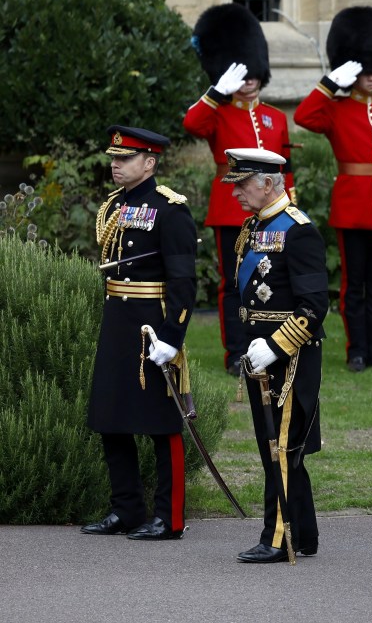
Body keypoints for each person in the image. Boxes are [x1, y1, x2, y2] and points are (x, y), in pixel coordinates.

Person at [82, 126, 197, 541]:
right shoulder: (114, 205)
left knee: (161, 424)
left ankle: (170, 518)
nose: (116, 164)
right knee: (112, 419)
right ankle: (126, 509)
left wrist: (172, 337)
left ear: (149, 163)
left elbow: (184, 282)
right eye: (114, 158)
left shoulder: (171, 209)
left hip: (154, 324)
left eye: (125, 158)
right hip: (118, 321)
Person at [294, 5, 372, 374]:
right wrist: (330, 82)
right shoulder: (334, 108)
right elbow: (303, 116)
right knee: (354, 286)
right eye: (365, 70)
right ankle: (356, 351)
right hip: (353, 206)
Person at [226, 148, 328, 563]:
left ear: (268, 184)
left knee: (280, 448)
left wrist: (275, 345)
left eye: (242, 185)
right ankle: (303, 533)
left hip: (289, 356)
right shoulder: (254, 227)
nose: (235, 194)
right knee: (277, 446)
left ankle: (278, 537)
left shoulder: (299, 230)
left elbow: (313, 306)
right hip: (259, 353)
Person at [184, 3, 295, 376]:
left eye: (252, 72)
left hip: (273, 210)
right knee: (234, 282)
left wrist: (288, 204)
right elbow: (191, 123)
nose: (249, 80)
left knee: (270, 279)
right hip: (232, 207)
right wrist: (216, 92)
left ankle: (267, 343)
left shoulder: (276, 117)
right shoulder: (217, 111)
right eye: (241, 72)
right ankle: (235, 351)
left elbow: (285, 167)